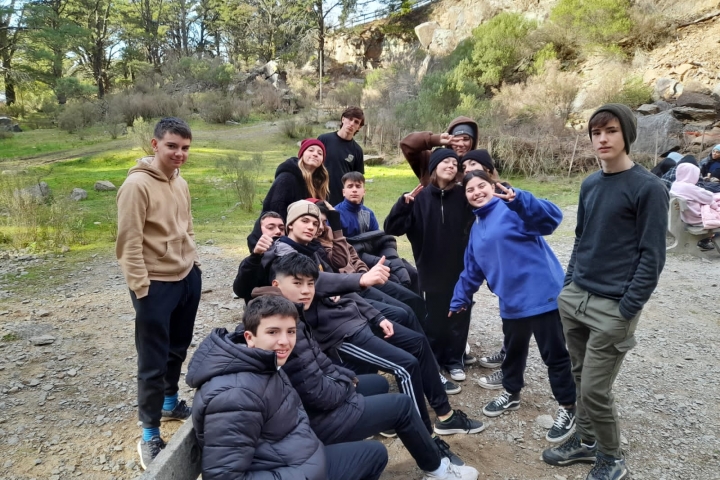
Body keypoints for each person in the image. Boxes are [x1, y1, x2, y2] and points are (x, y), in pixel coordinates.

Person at [255, 256, 480, 479]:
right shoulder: (283, 328)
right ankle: (437, 467)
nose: (306, 291)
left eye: (310, 284)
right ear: (276, 284)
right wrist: (346, 389)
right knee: (401, 402)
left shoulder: (294, 316)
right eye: (297, 283)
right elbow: (317, 393)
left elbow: (320, 364)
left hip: (315, 401)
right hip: (311, 419)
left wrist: (345, 377)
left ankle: (382, 428)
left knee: (379, 382)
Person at [542, 104, 668, 480]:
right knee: (580, 378)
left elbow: (652, 256)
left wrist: (628, 307)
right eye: (596, 133)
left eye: (611, 131)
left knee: (596, 390)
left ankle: (612, 459)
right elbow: (582, 238)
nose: (602, 139)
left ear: (627, 135)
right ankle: (585, 441)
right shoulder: (590, 184)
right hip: (577, 298)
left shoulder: (649, 188)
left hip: (613, 307)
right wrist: (568, 286)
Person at [186, 295, 388, 480]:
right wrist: (304, 475)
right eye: (273, 332)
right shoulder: (236, 395)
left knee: (374, 453)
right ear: (249, 337)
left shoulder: (264, 362)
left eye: (290, 332)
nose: (284, 341)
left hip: (297, 457)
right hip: (295, 469)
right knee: (374, 452)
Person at [449, 169, 577, 444]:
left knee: (554, 355)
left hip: (542, 296)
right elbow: (472, 269)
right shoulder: (477, 227)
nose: (476, 192)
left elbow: (551, 218)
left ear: (493, 185)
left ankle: (568, 406)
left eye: (481, 186)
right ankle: (511, 393)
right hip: (511, 300)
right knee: (513, 352)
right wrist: (460, 298)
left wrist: (520, 199)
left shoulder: (513, 208)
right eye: (470, 190)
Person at [115, 117, 202, 469]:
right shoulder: (136, 185)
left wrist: (193, 263)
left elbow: (187, 225)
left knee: (178, 346)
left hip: (186, 277)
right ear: (155, 145)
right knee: (152, 360)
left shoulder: (180, 181)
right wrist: (142, 288)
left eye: (185, 148)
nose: (179, 153)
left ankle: (169, 402)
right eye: (172, 146)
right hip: (155, 284)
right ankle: (149, 433)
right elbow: (128, 243)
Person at [385, 149, 475, 382]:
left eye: (455, 163)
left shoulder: (463, 195)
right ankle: (435, 358)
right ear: (434, 167)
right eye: (446, 161)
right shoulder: (419, 198)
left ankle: (454, 359)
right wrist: (403, 205)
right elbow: (392, 228)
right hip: (430, 268)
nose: (451, 165)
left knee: (459, 314)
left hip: (461, 270)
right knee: (435, 317)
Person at [334, 171, 420, 293]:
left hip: (375, 254)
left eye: (358, 186)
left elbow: (377, 240)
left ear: (364, 191)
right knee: (393, 277)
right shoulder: (336, 214)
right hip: (354, 259)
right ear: (343, 192)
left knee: (411, 273)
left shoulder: (369, 213)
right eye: (350, 186)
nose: (354, 190)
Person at [247, 138, 329, 251]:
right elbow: (275, 209)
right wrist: (284, 241)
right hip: (279, 241)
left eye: (320, 153)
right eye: (311, 150)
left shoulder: (319, 184)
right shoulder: (287, 178)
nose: (315, 154)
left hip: (301, 239)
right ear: (302, 154)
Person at [400, 116, 478, 186]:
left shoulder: (478, 166)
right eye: (455, 139)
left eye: (466, 139)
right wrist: (434, 139)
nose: (460, 144)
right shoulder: (431, 160)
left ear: (473, 142)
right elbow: (407, 144)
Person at [233, 211, 285, 302]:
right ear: (259, 231)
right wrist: (255, 256)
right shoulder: (250, 262)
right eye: (270, 227)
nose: (278, 231)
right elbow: (241, 291)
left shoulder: (292, 255)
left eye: (281, 228)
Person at [318, 106, 365, 205]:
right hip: (319, 195)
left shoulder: (357, 150)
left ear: (359, 127)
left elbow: (358, 180)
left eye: (356, 122)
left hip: (341, 200)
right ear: (343, 119)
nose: (352, 123)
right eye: (350, 119)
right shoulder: (324, 140)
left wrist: (359, 204)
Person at [670, 162, 720, 251]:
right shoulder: (688, 187)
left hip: (687, 216)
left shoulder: (676, 184)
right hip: (697, 218)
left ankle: (707, 240)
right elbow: (708, 197)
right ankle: (712, 240)